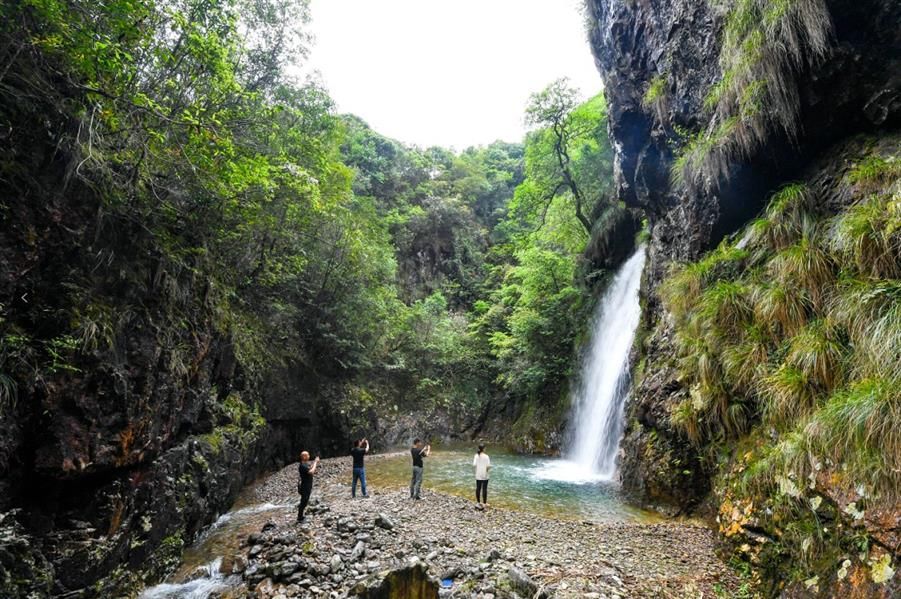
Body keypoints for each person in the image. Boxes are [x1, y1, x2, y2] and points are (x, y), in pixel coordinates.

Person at [297, 451, 319, 523]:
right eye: (307, 455)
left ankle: (301, 516)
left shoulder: (305, 464)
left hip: (307, 485)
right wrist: (315, 462)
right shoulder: (302, 466)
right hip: (304, 486)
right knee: (303, 501)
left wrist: (315, 463)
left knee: (305, 501)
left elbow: (310, 469)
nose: (309, 456)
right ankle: (299, 518)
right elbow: (311, 472)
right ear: (303, 457)